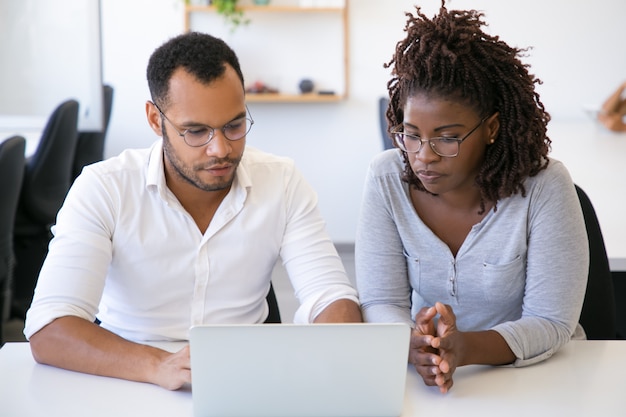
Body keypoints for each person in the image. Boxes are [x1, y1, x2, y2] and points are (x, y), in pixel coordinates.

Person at [24, 31, 362, 390]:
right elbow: (50, 329)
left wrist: (334, 348)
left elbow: (331, 297)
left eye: (234, 125)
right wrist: (158, 366)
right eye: (196, 131)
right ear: (156, 120)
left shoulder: (281, 181)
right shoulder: (105, 187)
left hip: (245, 382)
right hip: (125, 377)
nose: (220, 149)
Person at [355, 2, 589, 394]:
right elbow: (381, 299)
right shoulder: (386, 178)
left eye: (447, 137)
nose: (423, 156)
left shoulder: (545, 186)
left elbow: (551, 322)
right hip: (428, 383)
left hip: (540, 380)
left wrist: (464, 348)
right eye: (411, 134)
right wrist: (414, 346)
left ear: (491, 128)